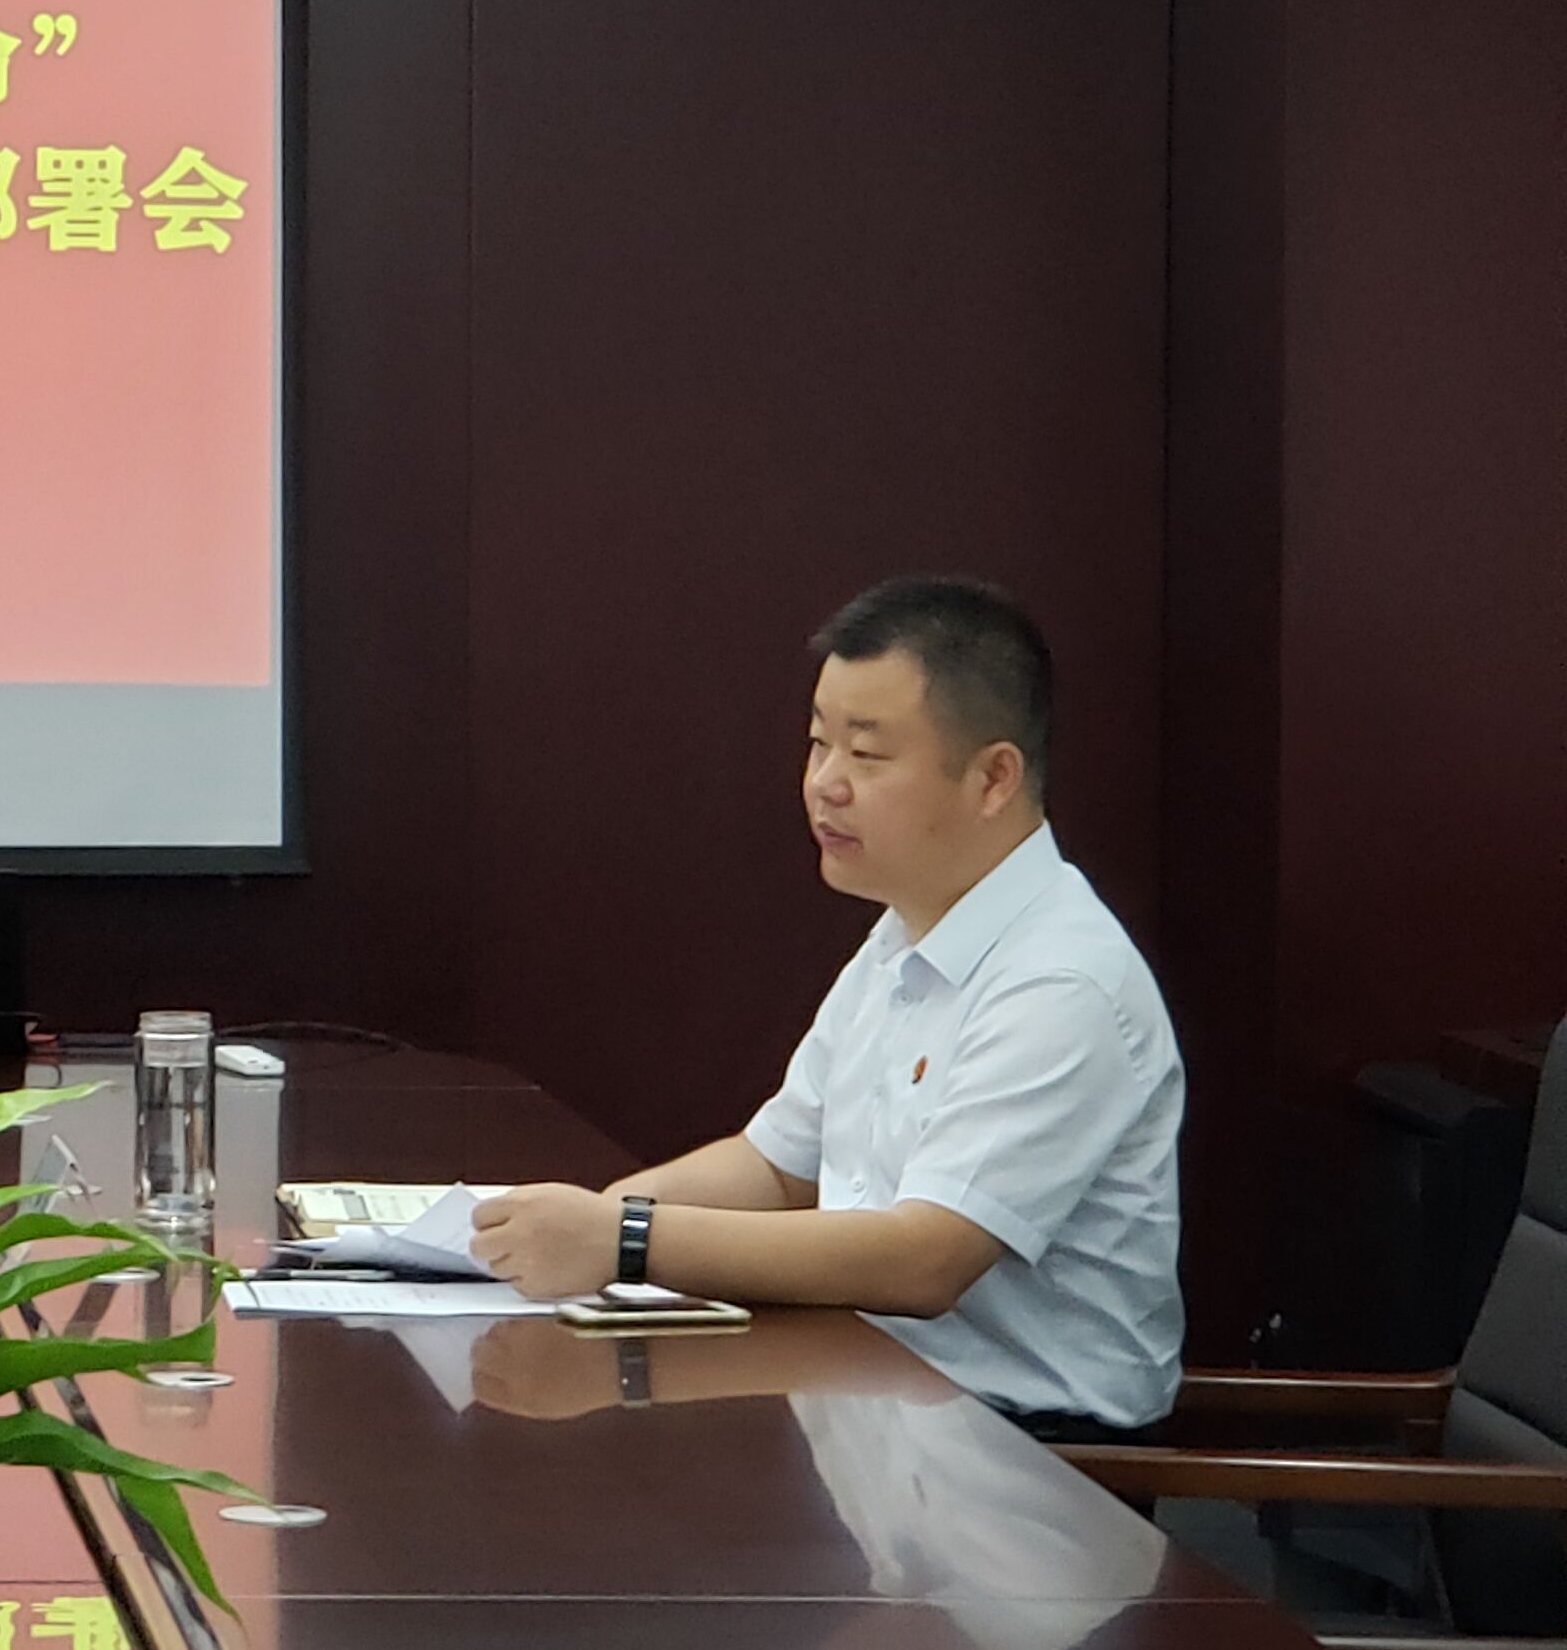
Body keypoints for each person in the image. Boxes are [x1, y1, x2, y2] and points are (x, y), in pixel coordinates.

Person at [468, 578, 1184, 1438]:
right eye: (818, 744)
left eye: (867, 755)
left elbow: (927, 1258)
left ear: (994, 777)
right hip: (872, 1411)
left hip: (1031, 1457)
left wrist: (624, 1239)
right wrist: (563, 1230)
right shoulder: (903, 934)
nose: (824, 785)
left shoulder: (1062, 979)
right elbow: (776, 1169)